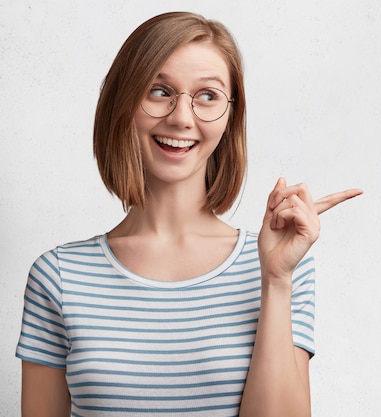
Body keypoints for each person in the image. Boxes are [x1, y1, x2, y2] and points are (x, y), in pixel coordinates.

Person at [16, 11, 361, 417]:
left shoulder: (282, 268)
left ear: (230, 116)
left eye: (208, 96)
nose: (181, 117)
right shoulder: (58, 275)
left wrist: (276, 280)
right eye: (159, 91)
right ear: (123, 103)